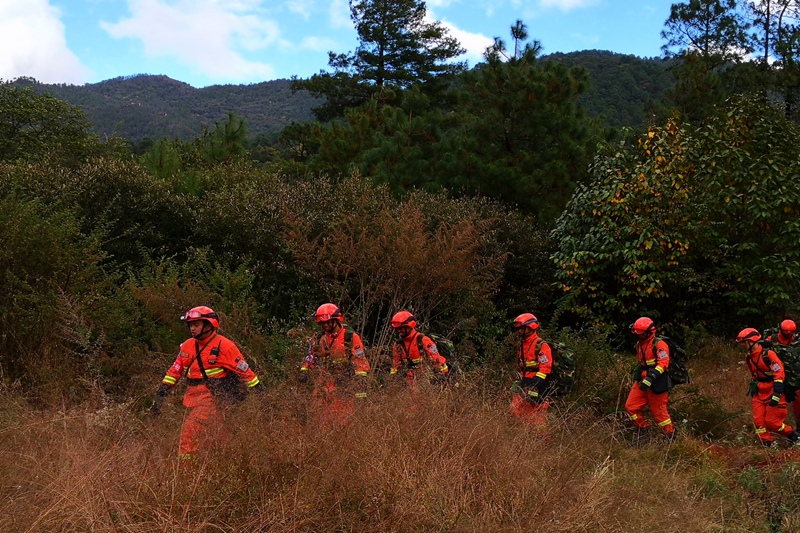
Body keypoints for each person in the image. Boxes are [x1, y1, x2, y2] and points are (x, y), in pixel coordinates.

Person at [151, 306, 263, 460]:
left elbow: (246, 373)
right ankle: (230, 465)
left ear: (209, 324)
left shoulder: (225, 346)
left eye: (196, 324)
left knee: (189, 436)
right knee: (218, 440)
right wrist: (161, 395)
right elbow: (175, 371)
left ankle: (185, 474)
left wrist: (262, 396)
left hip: (213, 399)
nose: (192, 328)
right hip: (192, 398)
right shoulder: (187, 346)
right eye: (190, 324)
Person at [299, 303, 370, 425]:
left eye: (328, 322)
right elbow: (311, 357)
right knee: (318, 410)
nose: (325, 325)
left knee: (342, 414)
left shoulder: (350, 337)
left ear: (336, 320)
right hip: (325, 379)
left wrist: (360, 386)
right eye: (322, 323)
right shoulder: (319, 338)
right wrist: (304, 370)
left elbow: (361, 362)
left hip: (345, 379)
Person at [737, 327, 800, 447]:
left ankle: (793, 435)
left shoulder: (768, 355)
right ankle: (769, 446)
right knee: (759, 423)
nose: (743, 345)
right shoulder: (749, 358)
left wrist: (777, 393)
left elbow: (779, 373)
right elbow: (754, 375)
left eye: (744, 342)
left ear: (752, 341)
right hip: (760, 393)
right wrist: (754, 387)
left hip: (774, 391)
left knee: (773, 423)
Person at [625, 317, 675, 441]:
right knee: (630, 407)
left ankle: (670, 437)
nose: (638, 336)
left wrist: (651, 377)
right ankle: (644, 430)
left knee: (659, 413)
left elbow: (664, 363)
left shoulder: (659, 344)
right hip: (642, 381)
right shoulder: (639, 345)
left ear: (649, 332)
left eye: (641, 334)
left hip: (657, 382)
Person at [509, 313, 551, 437]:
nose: (520, 331)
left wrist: (536, 383)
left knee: (537, 414)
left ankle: (544, 440)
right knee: (515, 409)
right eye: (519, 328)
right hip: (525, 382)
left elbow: (545, 367)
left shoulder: (541, 345)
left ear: (531, 327)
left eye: (522, 328)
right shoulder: (521, 344)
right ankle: (527, 435)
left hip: (538, 384)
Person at [389, 310, 449, 386]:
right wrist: (392, 381)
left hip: (425, 380)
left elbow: (436, 359)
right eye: (397, 329)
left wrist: (442, 378)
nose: (399, 331)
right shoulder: (398, 345)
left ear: (409, 326)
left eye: (401, 328)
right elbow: (396, 365)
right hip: (408, 383)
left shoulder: (423, 340)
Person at [764, 320, 800, 422]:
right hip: (778, 377)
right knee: (775, 402)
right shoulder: (771, 340)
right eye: (786, 331)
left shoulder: (797, 341)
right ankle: (775, 425)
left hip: (795, 377)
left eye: (791, 332)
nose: (788, 334)